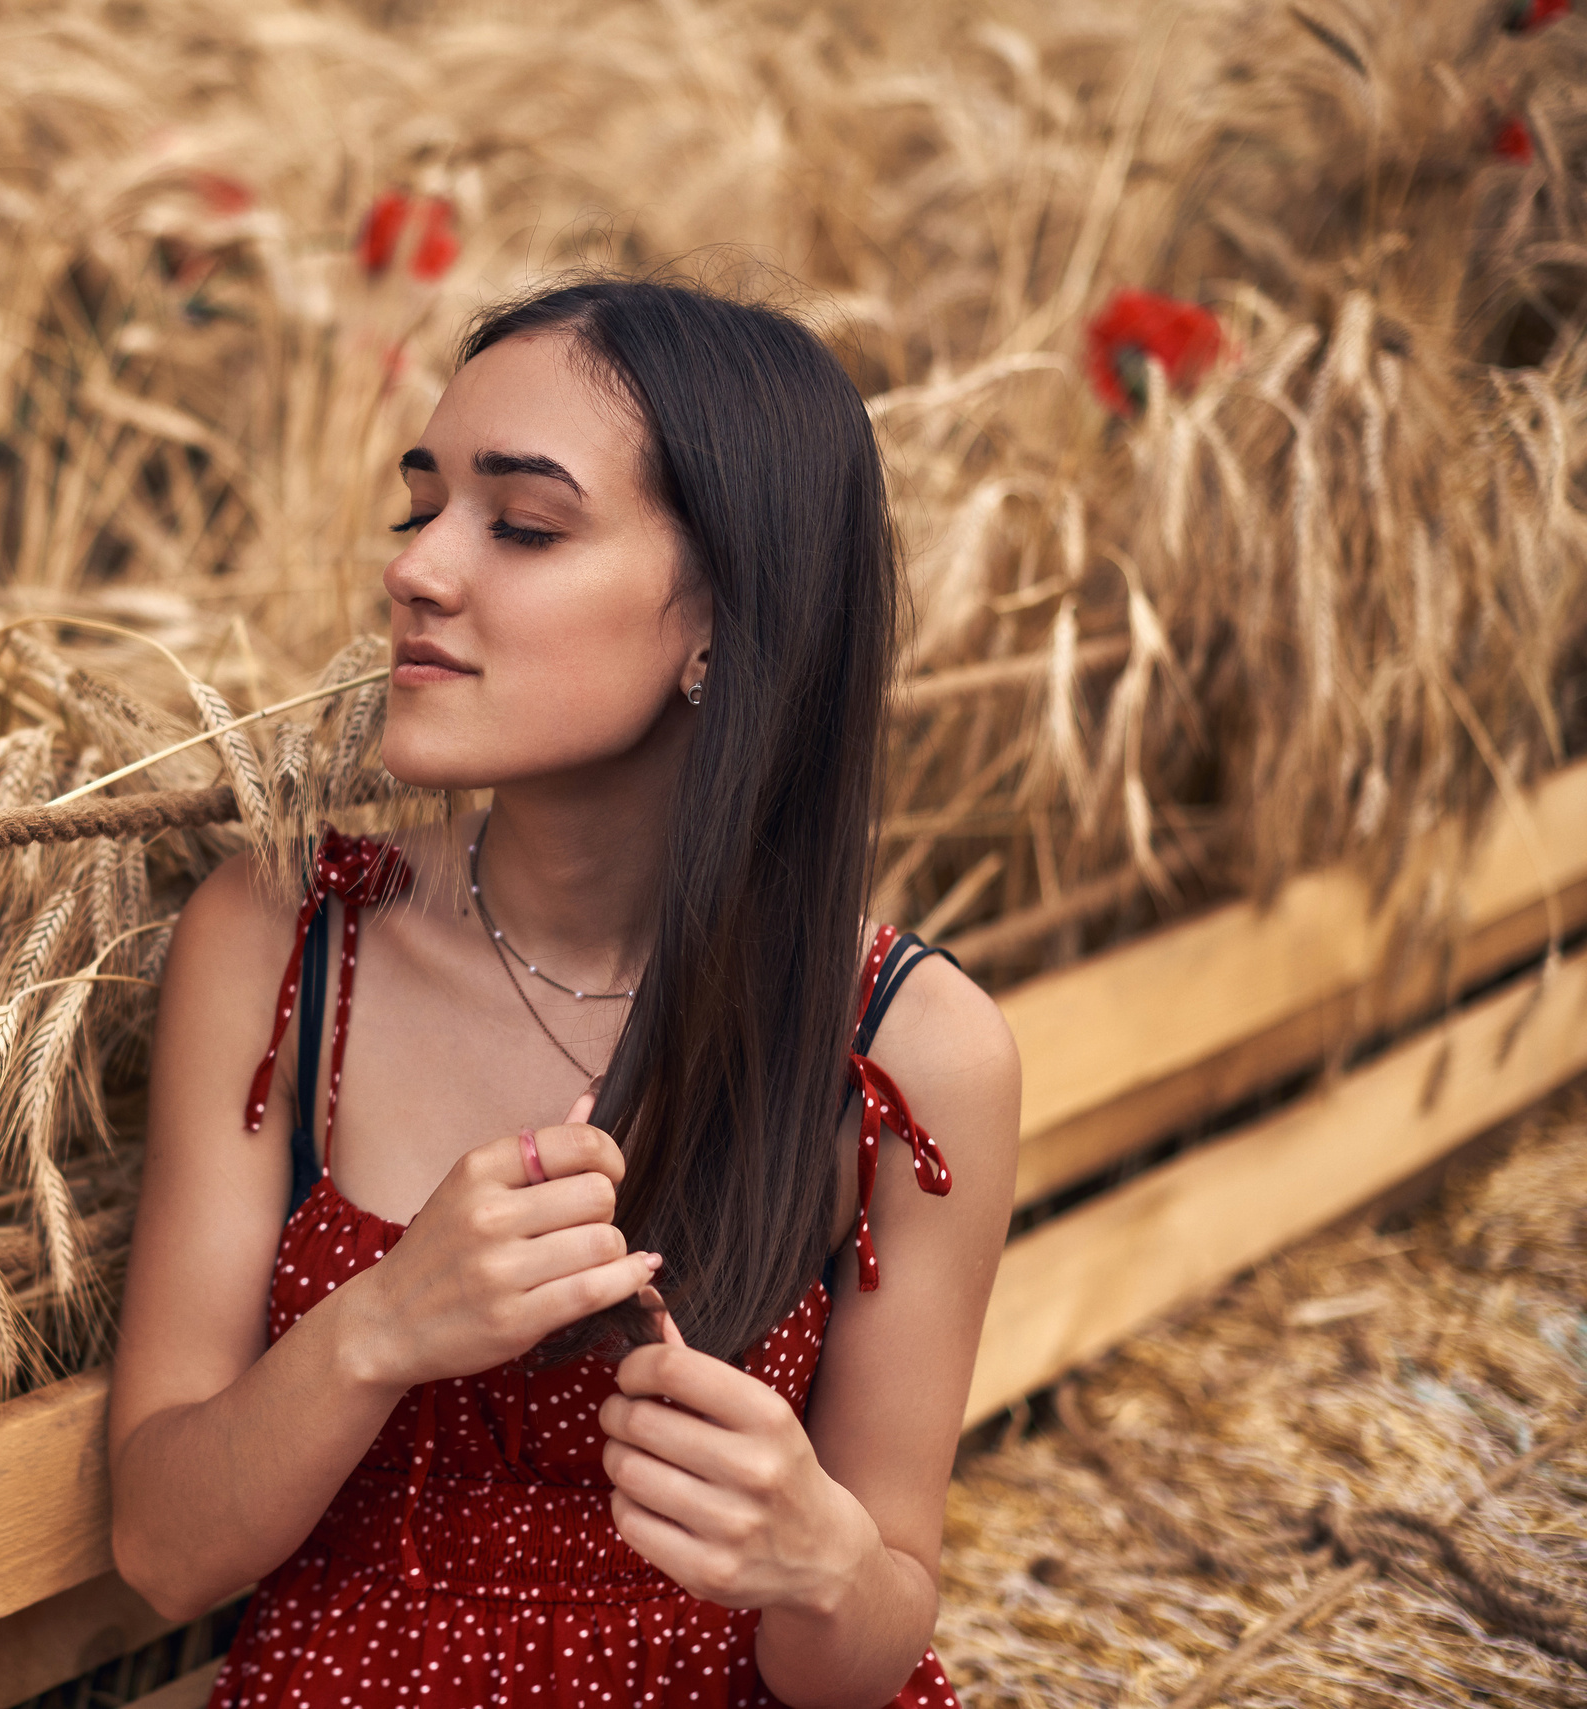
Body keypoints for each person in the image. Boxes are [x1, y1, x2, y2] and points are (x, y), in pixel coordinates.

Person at [108, 274, 1021, 1709]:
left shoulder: (904, 1050)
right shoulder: (289, 948)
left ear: (722, 613)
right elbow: (163, 1550)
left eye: (522, 525)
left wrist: (819, 1558)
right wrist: (381, 1326)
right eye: (425, 507)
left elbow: (873, 1634)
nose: (417, 567)